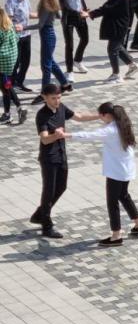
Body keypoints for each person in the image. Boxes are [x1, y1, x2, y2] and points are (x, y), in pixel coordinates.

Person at [65, 102, 138, 246]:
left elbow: (89, 135)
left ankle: (116, 235)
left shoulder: (111, 130)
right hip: (126, 169)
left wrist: (67, 135)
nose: (101, 119)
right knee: (124, 196)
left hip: (116, 172)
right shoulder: (123, 124)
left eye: (101, 116)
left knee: (112, 202)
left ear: (107, 115)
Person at [30, 84, 99, 239]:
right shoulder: (42, 115)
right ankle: (46, 226)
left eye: (59, 97)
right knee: (48, 191)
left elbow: (79, 117)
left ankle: (39, 215)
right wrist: (57, 135)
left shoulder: (61, 108)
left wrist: (99, 116)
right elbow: (45, 139)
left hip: (61, 155)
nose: (57, 101)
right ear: (44, 97)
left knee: (61, 187)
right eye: (53, 98)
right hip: (49, 158)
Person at [87, 0, 138, 84]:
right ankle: (132, 65)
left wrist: (89, 14)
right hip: (121, 25)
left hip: (118, 26)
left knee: (112, 50)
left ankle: (116, 75)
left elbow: (106, 8)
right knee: (118, 47)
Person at [27, 0, 71, 101]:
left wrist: (23, 28)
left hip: (47, 35)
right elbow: (58, 16)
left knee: (45, 65)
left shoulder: (45, 3)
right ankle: (65, 84)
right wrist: (43, 16)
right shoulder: (50, 0)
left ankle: (44, 93)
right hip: (50, 34)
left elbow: (40, 25)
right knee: (50, 61)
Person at [56, 0, 101, 74]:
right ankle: (69, 70)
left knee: (85, 39)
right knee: (69, 45)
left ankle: (78, 60)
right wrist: (79, 12)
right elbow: (65, 6)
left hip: (81, 16)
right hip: (69, 19)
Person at [6, 0, 35, 93]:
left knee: (26, 61)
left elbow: (29, 14)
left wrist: (44, 14)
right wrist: (15, 27)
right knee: (16, 62)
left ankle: (19, 83)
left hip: (26, 34)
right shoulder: (11, 1)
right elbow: (8, 21)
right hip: (16, 37)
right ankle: (11, 86)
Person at [0, 8, 28, 125]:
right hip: (11, 61)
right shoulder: (10, 26)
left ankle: (19, 108)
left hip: (1, 61)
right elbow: (17, 39)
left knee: (6, 87)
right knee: (5, 86)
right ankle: (7, 114)